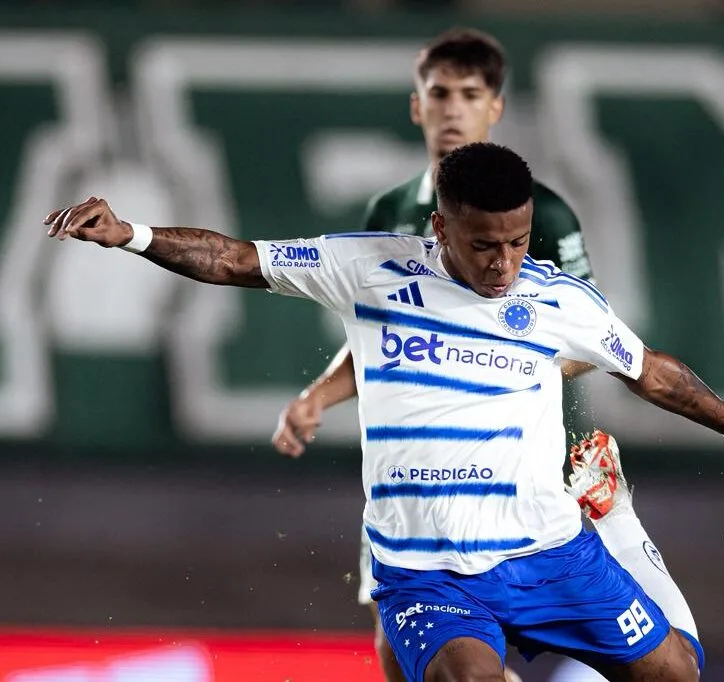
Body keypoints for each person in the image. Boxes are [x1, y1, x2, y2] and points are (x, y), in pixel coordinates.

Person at [43, 141, 724, 682]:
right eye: (484, 245)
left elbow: (652, 373)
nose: (504, 263)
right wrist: (132, 233)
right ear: (441, 227)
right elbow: (234, 259)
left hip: (550, 553)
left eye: (518, 242)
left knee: (678, 674)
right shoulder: (369, 269)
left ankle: (618, 522)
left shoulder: (557, 300)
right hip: (426, 570)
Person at [269, 28, 595, 682]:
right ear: (417, 106)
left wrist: (499, 375)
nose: (453, 111)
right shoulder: (389, 211)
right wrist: (318, 396)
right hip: (413, 470)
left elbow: (588, 339)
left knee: (482, 640)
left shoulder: (541, 216)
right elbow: (379, 340)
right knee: (396, 648)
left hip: (508, 464)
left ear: (495, 107)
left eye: (470, 95)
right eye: (440, 94)